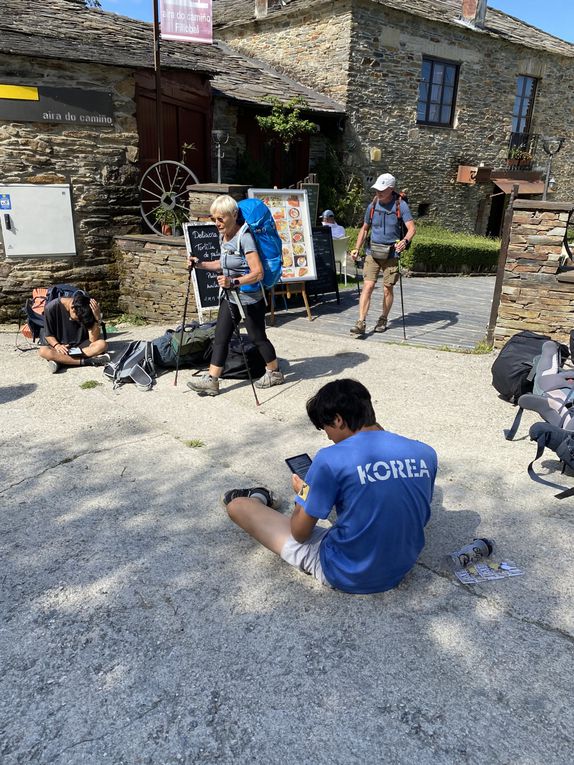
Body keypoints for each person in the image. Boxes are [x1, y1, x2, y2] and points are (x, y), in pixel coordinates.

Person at [223, 379, 437, 594]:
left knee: (238, 506)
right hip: (400, 567)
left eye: (325, 428)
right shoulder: (425, 452)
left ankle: (258, 497)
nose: (327, 435)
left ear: (338, 420)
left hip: (346, 572)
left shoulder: (330, 459)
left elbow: (299, 533)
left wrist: (304, 492)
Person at [187, 194, 284, 396]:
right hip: (230, 297)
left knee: (258, 338)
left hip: (249, 298)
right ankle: (212, 380)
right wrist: (200, 264)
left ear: (233, 215)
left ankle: (274, 372)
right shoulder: (225, 237)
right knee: (221, 336)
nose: (217, 223)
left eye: (221, 218)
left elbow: (258, 273)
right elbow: (222, 264)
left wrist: (234, 281)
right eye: (214, 219)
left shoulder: (245, 237)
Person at [350, 173, 415, 336]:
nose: (378, 192)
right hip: (372, 251)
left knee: (387, 288)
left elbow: (412, 229)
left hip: (392, 254)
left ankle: (383, 319)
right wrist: (356, 248)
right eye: (377, 189)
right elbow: (365, 229)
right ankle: (361, 322)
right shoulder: (372, 205)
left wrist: (404, 241)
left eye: (382, 190)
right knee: (368, 285)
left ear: (391, 189)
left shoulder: (401, 206)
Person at [38, 292, 109, 373]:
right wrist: (57, 345)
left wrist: (97, 319)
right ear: (72, 308)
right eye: (78, 319)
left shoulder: (86, 308)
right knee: (43, 351)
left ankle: (62, 361)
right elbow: (48, 335)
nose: (79, 321)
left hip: (81, 346)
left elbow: (93, 340)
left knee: (102, 344)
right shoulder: (51, 308)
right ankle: (87, 361)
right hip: (61, 347)